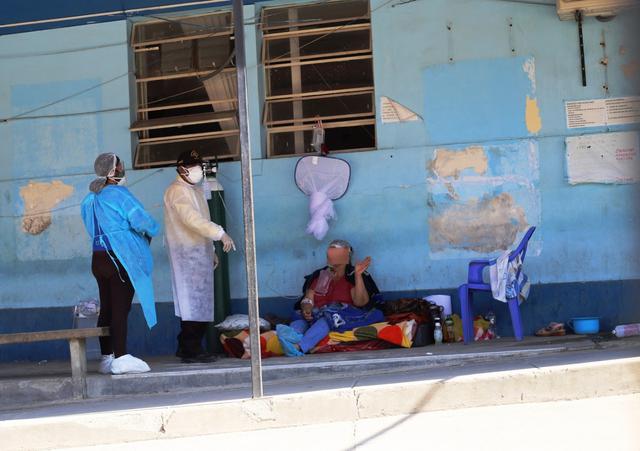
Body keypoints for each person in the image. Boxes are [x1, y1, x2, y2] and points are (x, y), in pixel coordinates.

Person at [81, 153, 159, 375]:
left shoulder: (90, 199)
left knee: (106, 308)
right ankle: (122, 356)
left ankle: (107, 358)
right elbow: (142, 221)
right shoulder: (118, 194)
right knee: (120, 309)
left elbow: (91, 226)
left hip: (98, 258)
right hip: (119, 257)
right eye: (121, 166)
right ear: (113, 171)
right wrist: (152, 229)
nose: (124, 169)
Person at [163, 150, 236, 363]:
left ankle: (192, 347)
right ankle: (189, 348)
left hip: (199, 252)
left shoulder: (192, 190)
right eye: (195, 166)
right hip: (187, 253)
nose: (199, 170)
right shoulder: (177, 191)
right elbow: (192, 220)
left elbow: (203, 217)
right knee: (192, 304)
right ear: (183, 168)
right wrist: (219, 233)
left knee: (201, 302)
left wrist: (211, 249)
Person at [277, 239, 382, 356]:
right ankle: (292, 337)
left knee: (327, 318)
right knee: (300, 319)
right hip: (316, 314)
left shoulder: (352, 276)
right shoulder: (322, 275)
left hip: (341, 317)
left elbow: (361, 302)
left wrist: (358, 275)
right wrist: (307, 308)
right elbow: (308, 298)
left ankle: (300, 347)